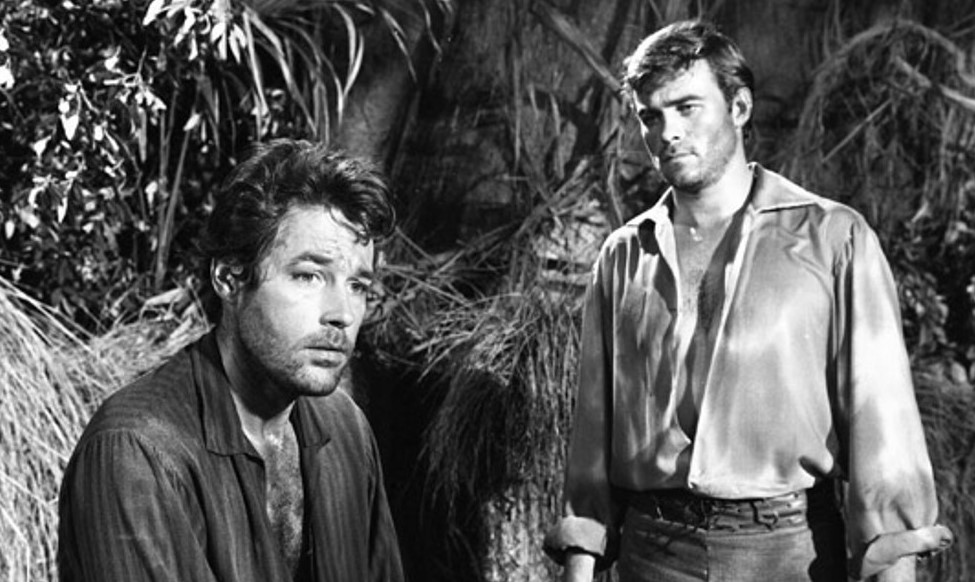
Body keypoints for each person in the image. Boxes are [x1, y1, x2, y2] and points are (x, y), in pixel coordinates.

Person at [543, 20, 953, 582]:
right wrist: (581, 563)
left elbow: (883, 427)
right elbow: (593, 431)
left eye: (687, 108)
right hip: (652, 552)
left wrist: (893, 563)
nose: (668, 133)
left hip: (788, 550)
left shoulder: (833, 238)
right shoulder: (623, 255)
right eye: (650, 116)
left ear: (739, 107)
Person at [58, 139, 404, 582]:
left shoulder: (346, 429)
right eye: (308, 276)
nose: (342, 313)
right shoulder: (135, 450)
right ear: (229, 278)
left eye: (357, 285)